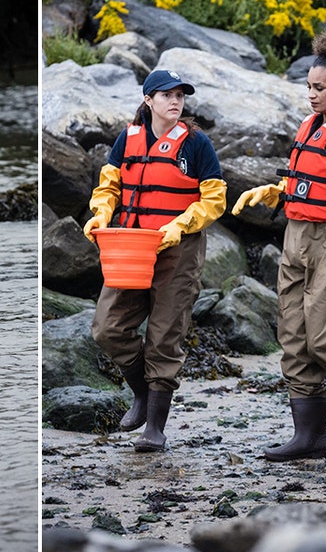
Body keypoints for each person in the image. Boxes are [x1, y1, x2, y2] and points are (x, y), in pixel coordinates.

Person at [232, 30, 326, 462]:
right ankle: (309, 439)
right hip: (297, 234)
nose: (312, 96)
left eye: (320, 88)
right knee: (294, 337)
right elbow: (309, 178)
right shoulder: (309, 125)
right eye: (308, 88)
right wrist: (275, 191)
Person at [82, 69, 227, 452]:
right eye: (166, 95)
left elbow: (214, 198)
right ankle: (142, 393)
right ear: (148, 100)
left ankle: (155, 428)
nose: (175, 101)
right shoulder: (126, 139)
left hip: (179, 249)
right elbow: (108, 186)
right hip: (131, 245)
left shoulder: (196, 144)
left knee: (164, 335)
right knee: (107, 327)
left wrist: (182, 225)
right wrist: (100, 213)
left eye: (180, 95)